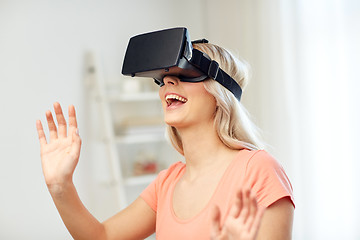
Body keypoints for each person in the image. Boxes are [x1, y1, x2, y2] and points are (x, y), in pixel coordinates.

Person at [36, 41, 294, 240]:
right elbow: (102, 236)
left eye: (186, 73)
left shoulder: (258, 170)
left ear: (220, 93)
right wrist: (61, 186)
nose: (168, 81)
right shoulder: (167, 182)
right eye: (163, 78)